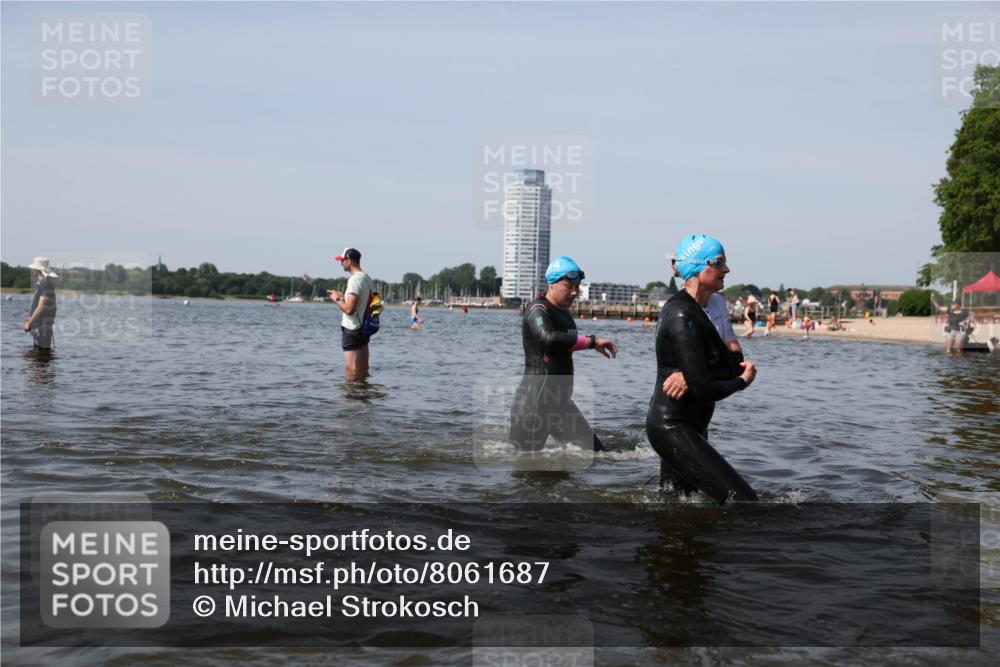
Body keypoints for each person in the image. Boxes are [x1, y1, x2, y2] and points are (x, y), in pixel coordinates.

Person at [646, 235, 758, 504]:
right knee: (743, 501)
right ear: (698, 267)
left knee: (675, 505)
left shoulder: (698, 310)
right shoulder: (683, 314)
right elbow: (705, 387)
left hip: (691, 424)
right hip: (673, 425)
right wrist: (742, 381)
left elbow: (732, 361)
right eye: (719, 263)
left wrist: (699, 371)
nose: (727, 270)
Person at [510, 256, 617, 453]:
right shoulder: (537, 308)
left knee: (598, 456)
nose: (574, 292)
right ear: (552, 283)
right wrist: (591, 342)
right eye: (569, 286)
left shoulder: (565, 314)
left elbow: (563, 345)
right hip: (535, 403)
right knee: (527, 469)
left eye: (577, 286)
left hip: (560, 403)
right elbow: (548, 338)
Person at [328, 247, 374, 378]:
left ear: (349, 260)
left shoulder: (354, 280)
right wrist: (343, 299)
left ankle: (351, 397)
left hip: (353, 329)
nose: (341, 263)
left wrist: (336, 298)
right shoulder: (367, 278)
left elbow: (349, 310)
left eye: (342, 260)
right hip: (364, 328)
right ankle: (363, 395)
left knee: (352, 370)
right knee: (363, 369)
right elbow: (364, 304)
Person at [23, 257, 58, 350]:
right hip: (41, 326)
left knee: (40, 357)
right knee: (40, 357)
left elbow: (41, 306)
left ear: (37, 270)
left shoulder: (45, 283)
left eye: (34, 269)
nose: (33, 271)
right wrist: (30, 318)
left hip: (42, 328)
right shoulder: (44, 283)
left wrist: (29, 322)